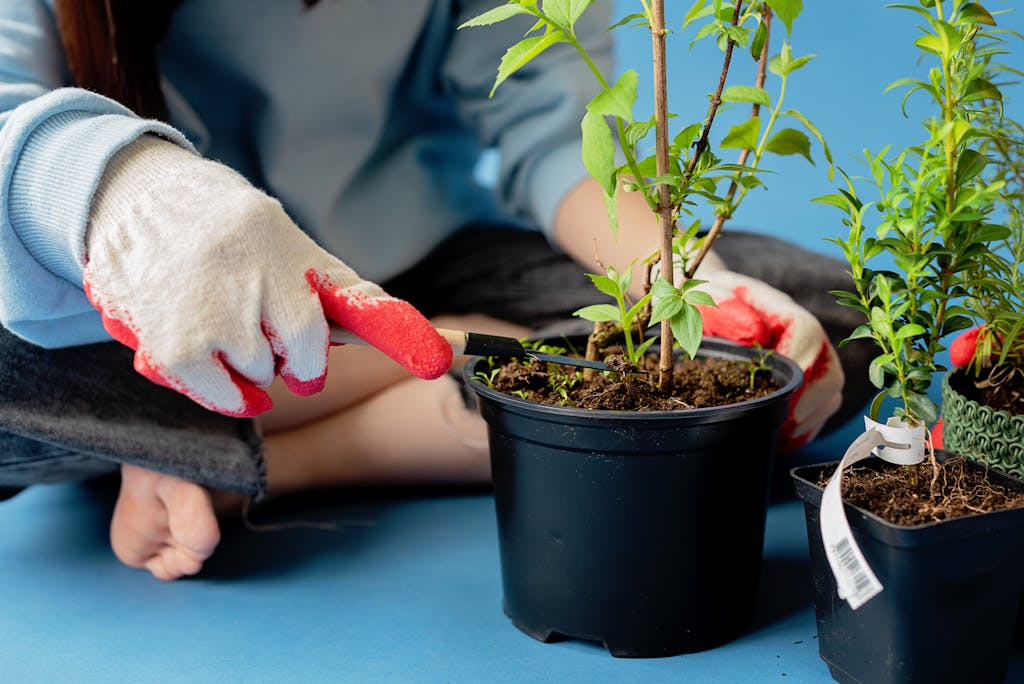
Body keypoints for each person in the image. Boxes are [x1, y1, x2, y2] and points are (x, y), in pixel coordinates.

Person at [0, 0, 858, 581]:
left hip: (414, 255)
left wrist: (685, 285)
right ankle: (459, 364)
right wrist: (129, 197)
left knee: (826, 313)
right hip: (129, 307)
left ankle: (254, 456)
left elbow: (554, 130)